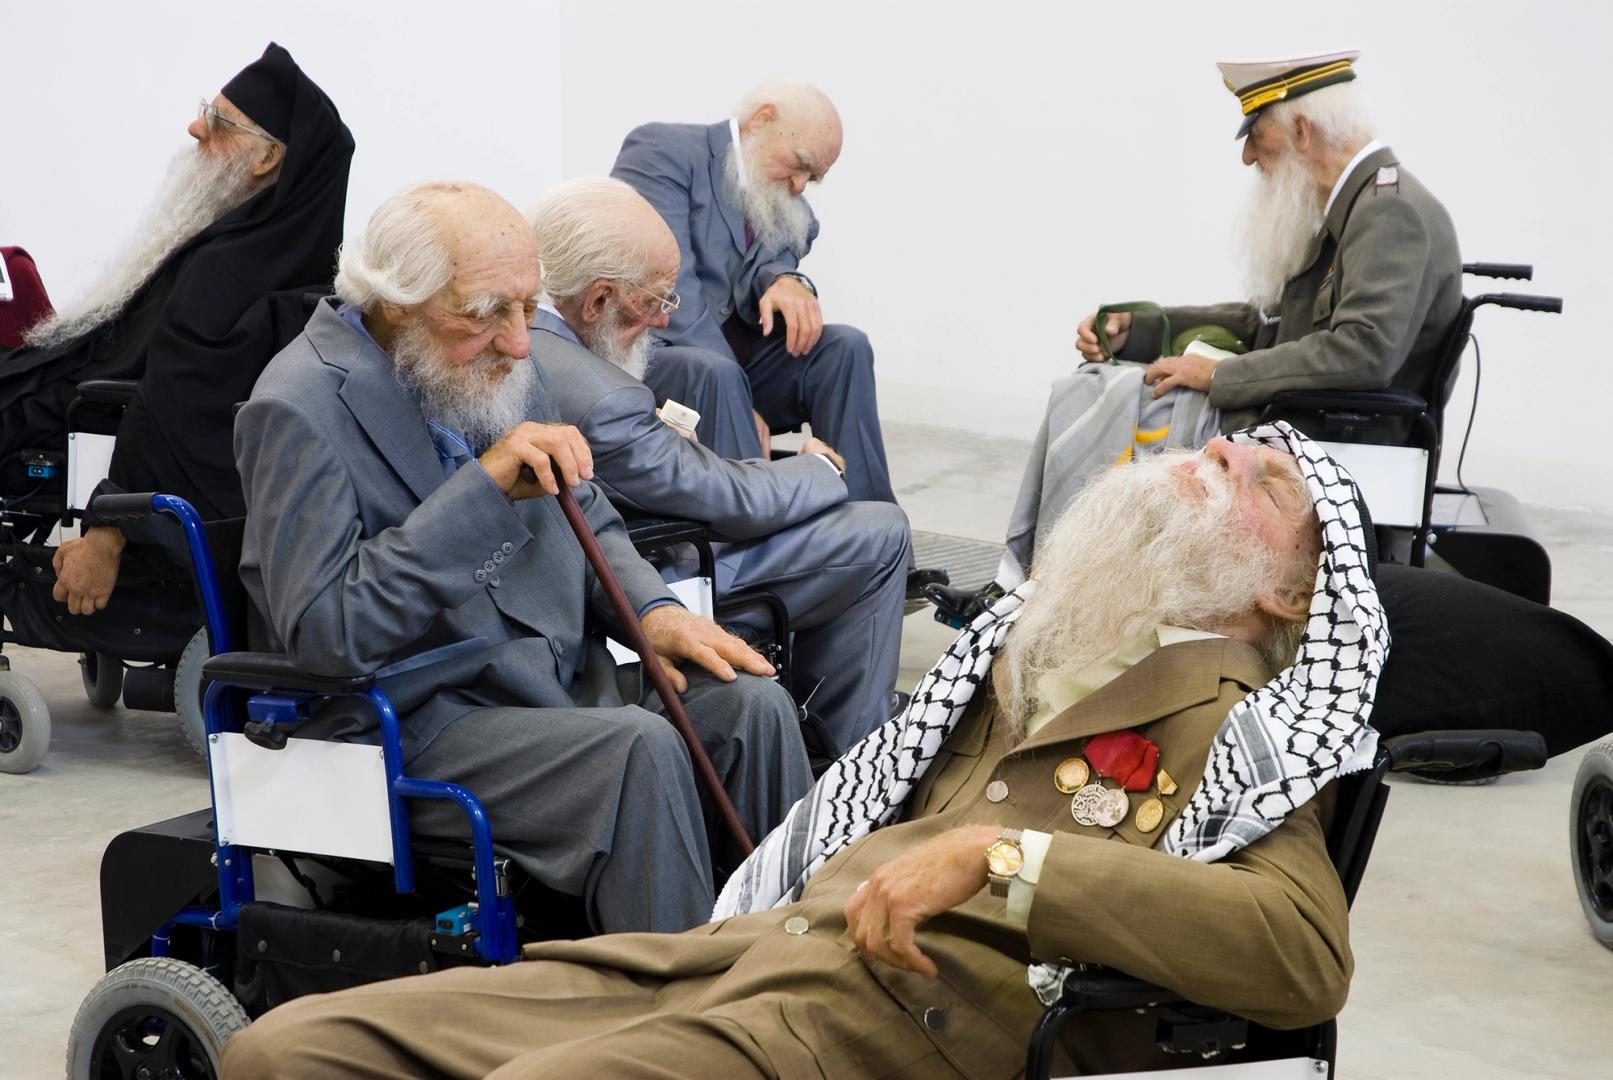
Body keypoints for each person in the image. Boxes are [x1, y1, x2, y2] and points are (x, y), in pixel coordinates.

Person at [222, 425, 1390, 1079]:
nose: (1219, 455)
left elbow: (1299, 959)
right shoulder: (1041, 642)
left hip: (893, 1028)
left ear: (1291, 590)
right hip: (733, 963)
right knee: (290, 1052)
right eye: (1227, 445)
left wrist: (1006, 863)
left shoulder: (1242, 730)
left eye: (1263, 482)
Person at [233, 181, 813, 933]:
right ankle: (676, 1018)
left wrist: (654, 610)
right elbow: (324, 633)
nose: (518, 341)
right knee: (635, 751)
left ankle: (797, 964)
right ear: (399, 302)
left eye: (525, 306)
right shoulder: (297, 406)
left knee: (752, 705)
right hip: (416, 721)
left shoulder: (486, 358)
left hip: (542, 685)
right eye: (486, 313)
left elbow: (588, 512)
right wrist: (480, 494)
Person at [932, 50, 1460, 625]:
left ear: (1303, 130)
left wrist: (1217, 376)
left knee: (1102, 395)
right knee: (1094, 383)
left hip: (1333, 424)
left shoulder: (1387, 214)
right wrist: (1141, 330)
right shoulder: (1360, 206)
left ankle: (1042, 597)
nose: (1247, 156)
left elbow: (1364, 352)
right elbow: (1269, 322)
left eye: (1257, 135)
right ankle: (1028, 587)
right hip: (1315, 410)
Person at [526, 177, 912, 755]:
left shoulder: (530, 339)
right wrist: (815, 469)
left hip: (606, 556)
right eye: (656, 299)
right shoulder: (600, 394)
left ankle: (813, 722)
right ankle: (848, 758)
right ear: (599, 299)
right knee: (879, 531)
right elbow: (722, 497)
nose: (663, 321)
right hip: (645, 575)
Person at [0, 43, 353, 628]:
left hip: (86, 421)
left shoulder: (232, 267)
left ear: (266, 160)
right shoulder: (269, 249)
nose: (195, 128)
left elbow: (171, 403)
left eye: (218, 122)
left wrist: (108, 529)